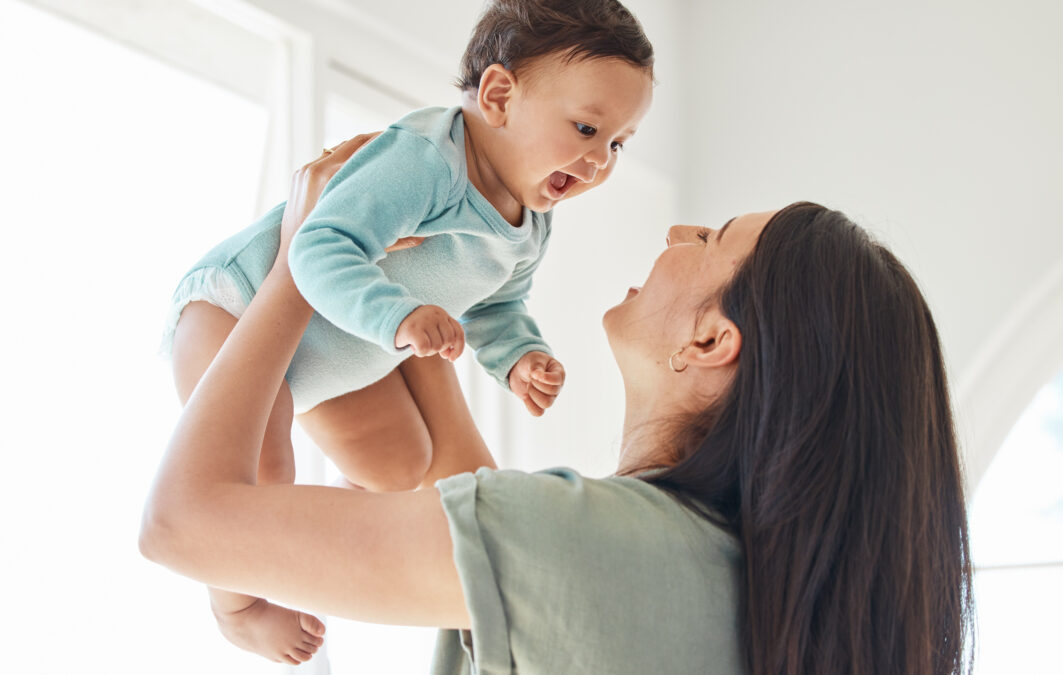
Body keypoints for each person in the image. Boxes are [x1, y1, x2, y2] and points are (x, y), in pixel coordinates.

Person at [142, 137, 976, 673]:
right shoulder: (729, 581)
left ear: (714, 342)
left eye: (714, 238)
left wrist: (299, 256)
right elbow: (451, 479)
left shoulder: (580, 540)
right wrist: (421, 268)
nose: (682, 231)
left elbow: (183, 524)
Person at [159, 0, 654, 661]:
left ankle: (309, 537)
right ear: (499, 95)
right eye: (587, 128)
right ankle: (238, 606)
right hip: (235, 309)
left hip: (335, 348)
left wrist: (518, 357)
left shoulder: (532, 219)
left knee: (399, 466)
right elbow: (316, 245)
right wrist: (397, 318)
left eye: (617, 143)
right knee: (263, 470)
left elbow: (497, 302)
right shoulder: (426, 162)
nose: (599, 161)